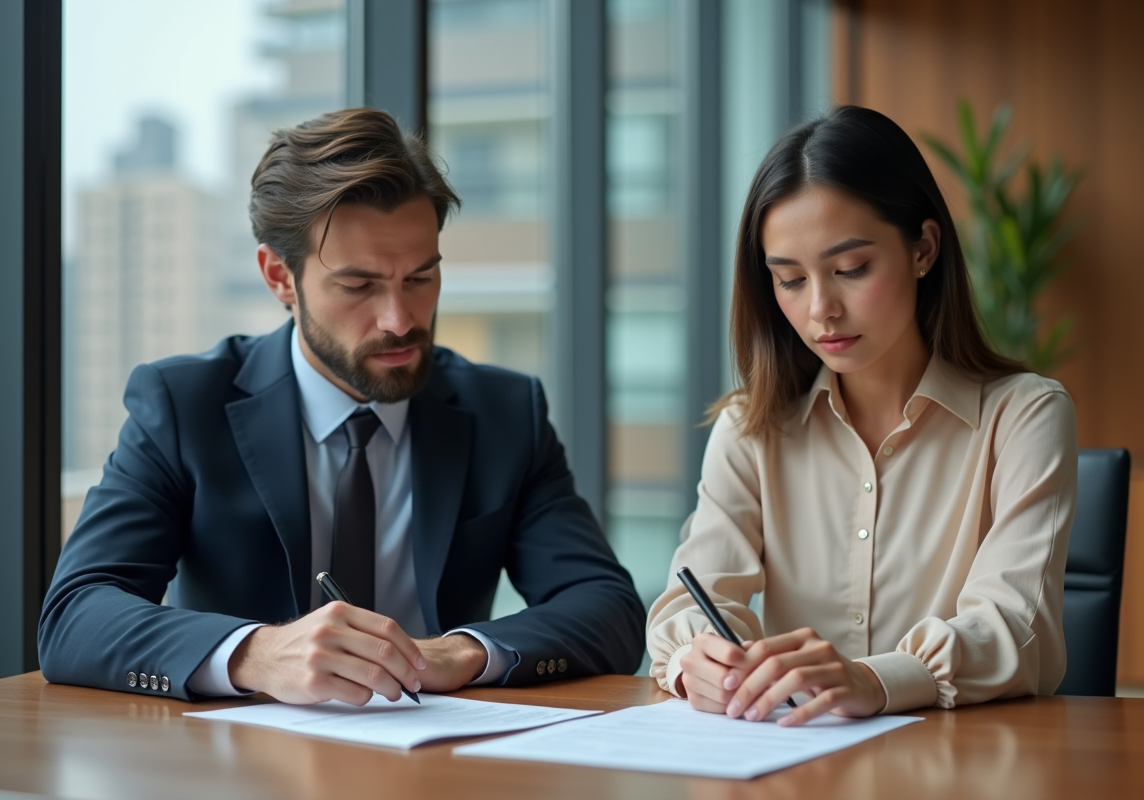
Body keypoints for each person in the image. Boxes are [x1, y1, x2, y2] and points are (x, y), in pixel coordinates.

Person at [39, 108, 645, 704]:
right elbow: (76, 615)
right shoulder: (184, 404)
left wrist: (462, 652)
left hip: (442, 758)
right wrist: (256, 654)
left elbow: (607, 605)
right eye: (359, 286)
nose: (400, 320)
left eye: (420, 278)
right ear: (280, 277)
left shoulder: (505, 410)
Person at [646, 105, 1078, 726]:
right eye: (790, 280)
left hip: (965, 765)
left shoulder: (1026, 416)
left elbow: (1014, 627)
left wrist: (872, 680)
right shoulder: (750, 428)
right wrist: (699, 659)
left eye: (851, 269)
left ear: (924, 248)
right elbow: (696, 602)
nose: (821, 309)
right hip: (793, 763)